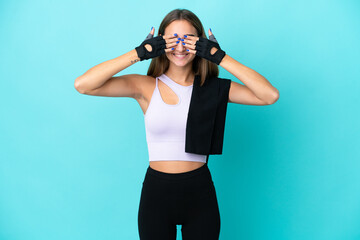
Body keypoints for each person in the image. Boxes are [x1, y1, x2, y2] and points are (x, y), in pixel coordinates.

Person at [74, 8, 279, 240]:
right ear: (161, 42)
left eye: (188, 41)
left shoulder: (213, 88)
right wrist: (139, 53)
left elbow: (269, 95)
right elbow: (84, 85)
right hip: (156, 195)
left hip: (200, 194)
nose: (180, 48)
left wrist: (220, 57)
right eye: (172, 40)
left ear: (199, 43)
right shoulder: (145, 86)